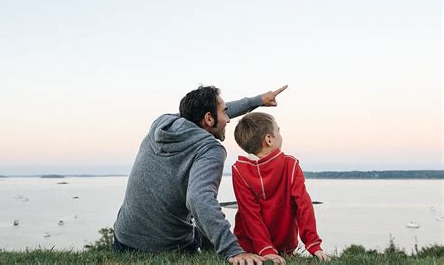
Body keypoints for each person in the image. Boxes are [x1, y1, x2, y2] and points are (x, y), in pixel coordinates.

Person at [113, 85, 288, 265]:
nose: (228, 119)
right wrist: (233, 251)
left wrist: (257, 101)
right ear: (209, 118)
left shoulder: (163, 123)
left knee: (202, 231)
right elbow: (199, 199)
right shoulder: (209, 149)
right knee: (205, 236)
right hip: (166, 246)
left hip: (123, 238)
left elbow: (204, 114)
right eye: (224, 112)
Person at [232, 112, 330, 264]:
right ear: (269, 139)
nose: (280, 134)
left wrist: (265, 249)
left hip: (248, 246)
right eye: (278, 130)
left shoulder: (239, 170)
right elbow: (304, 206)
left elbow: (249, 214)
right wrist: (313, 244)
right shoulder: (290, 165)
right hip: (284, 247)